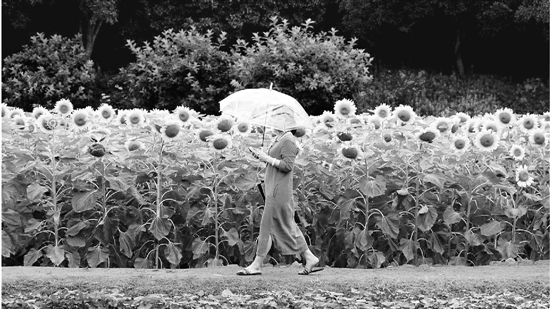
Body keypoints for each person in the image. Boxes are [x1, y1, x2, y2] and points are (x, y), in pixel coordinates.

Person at [237, 128, 323, 276]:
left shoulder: (288, 140)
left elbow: (288, 165)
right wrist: (260, 156)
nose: (273, 121)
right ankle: (309, 257)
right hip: (274, 187)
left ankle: (256, 265)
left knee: (267, 226)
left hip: (279, 190)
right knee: (286, 224)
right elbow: (275, 161)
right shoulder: (280, 138)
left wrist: (267, 158)